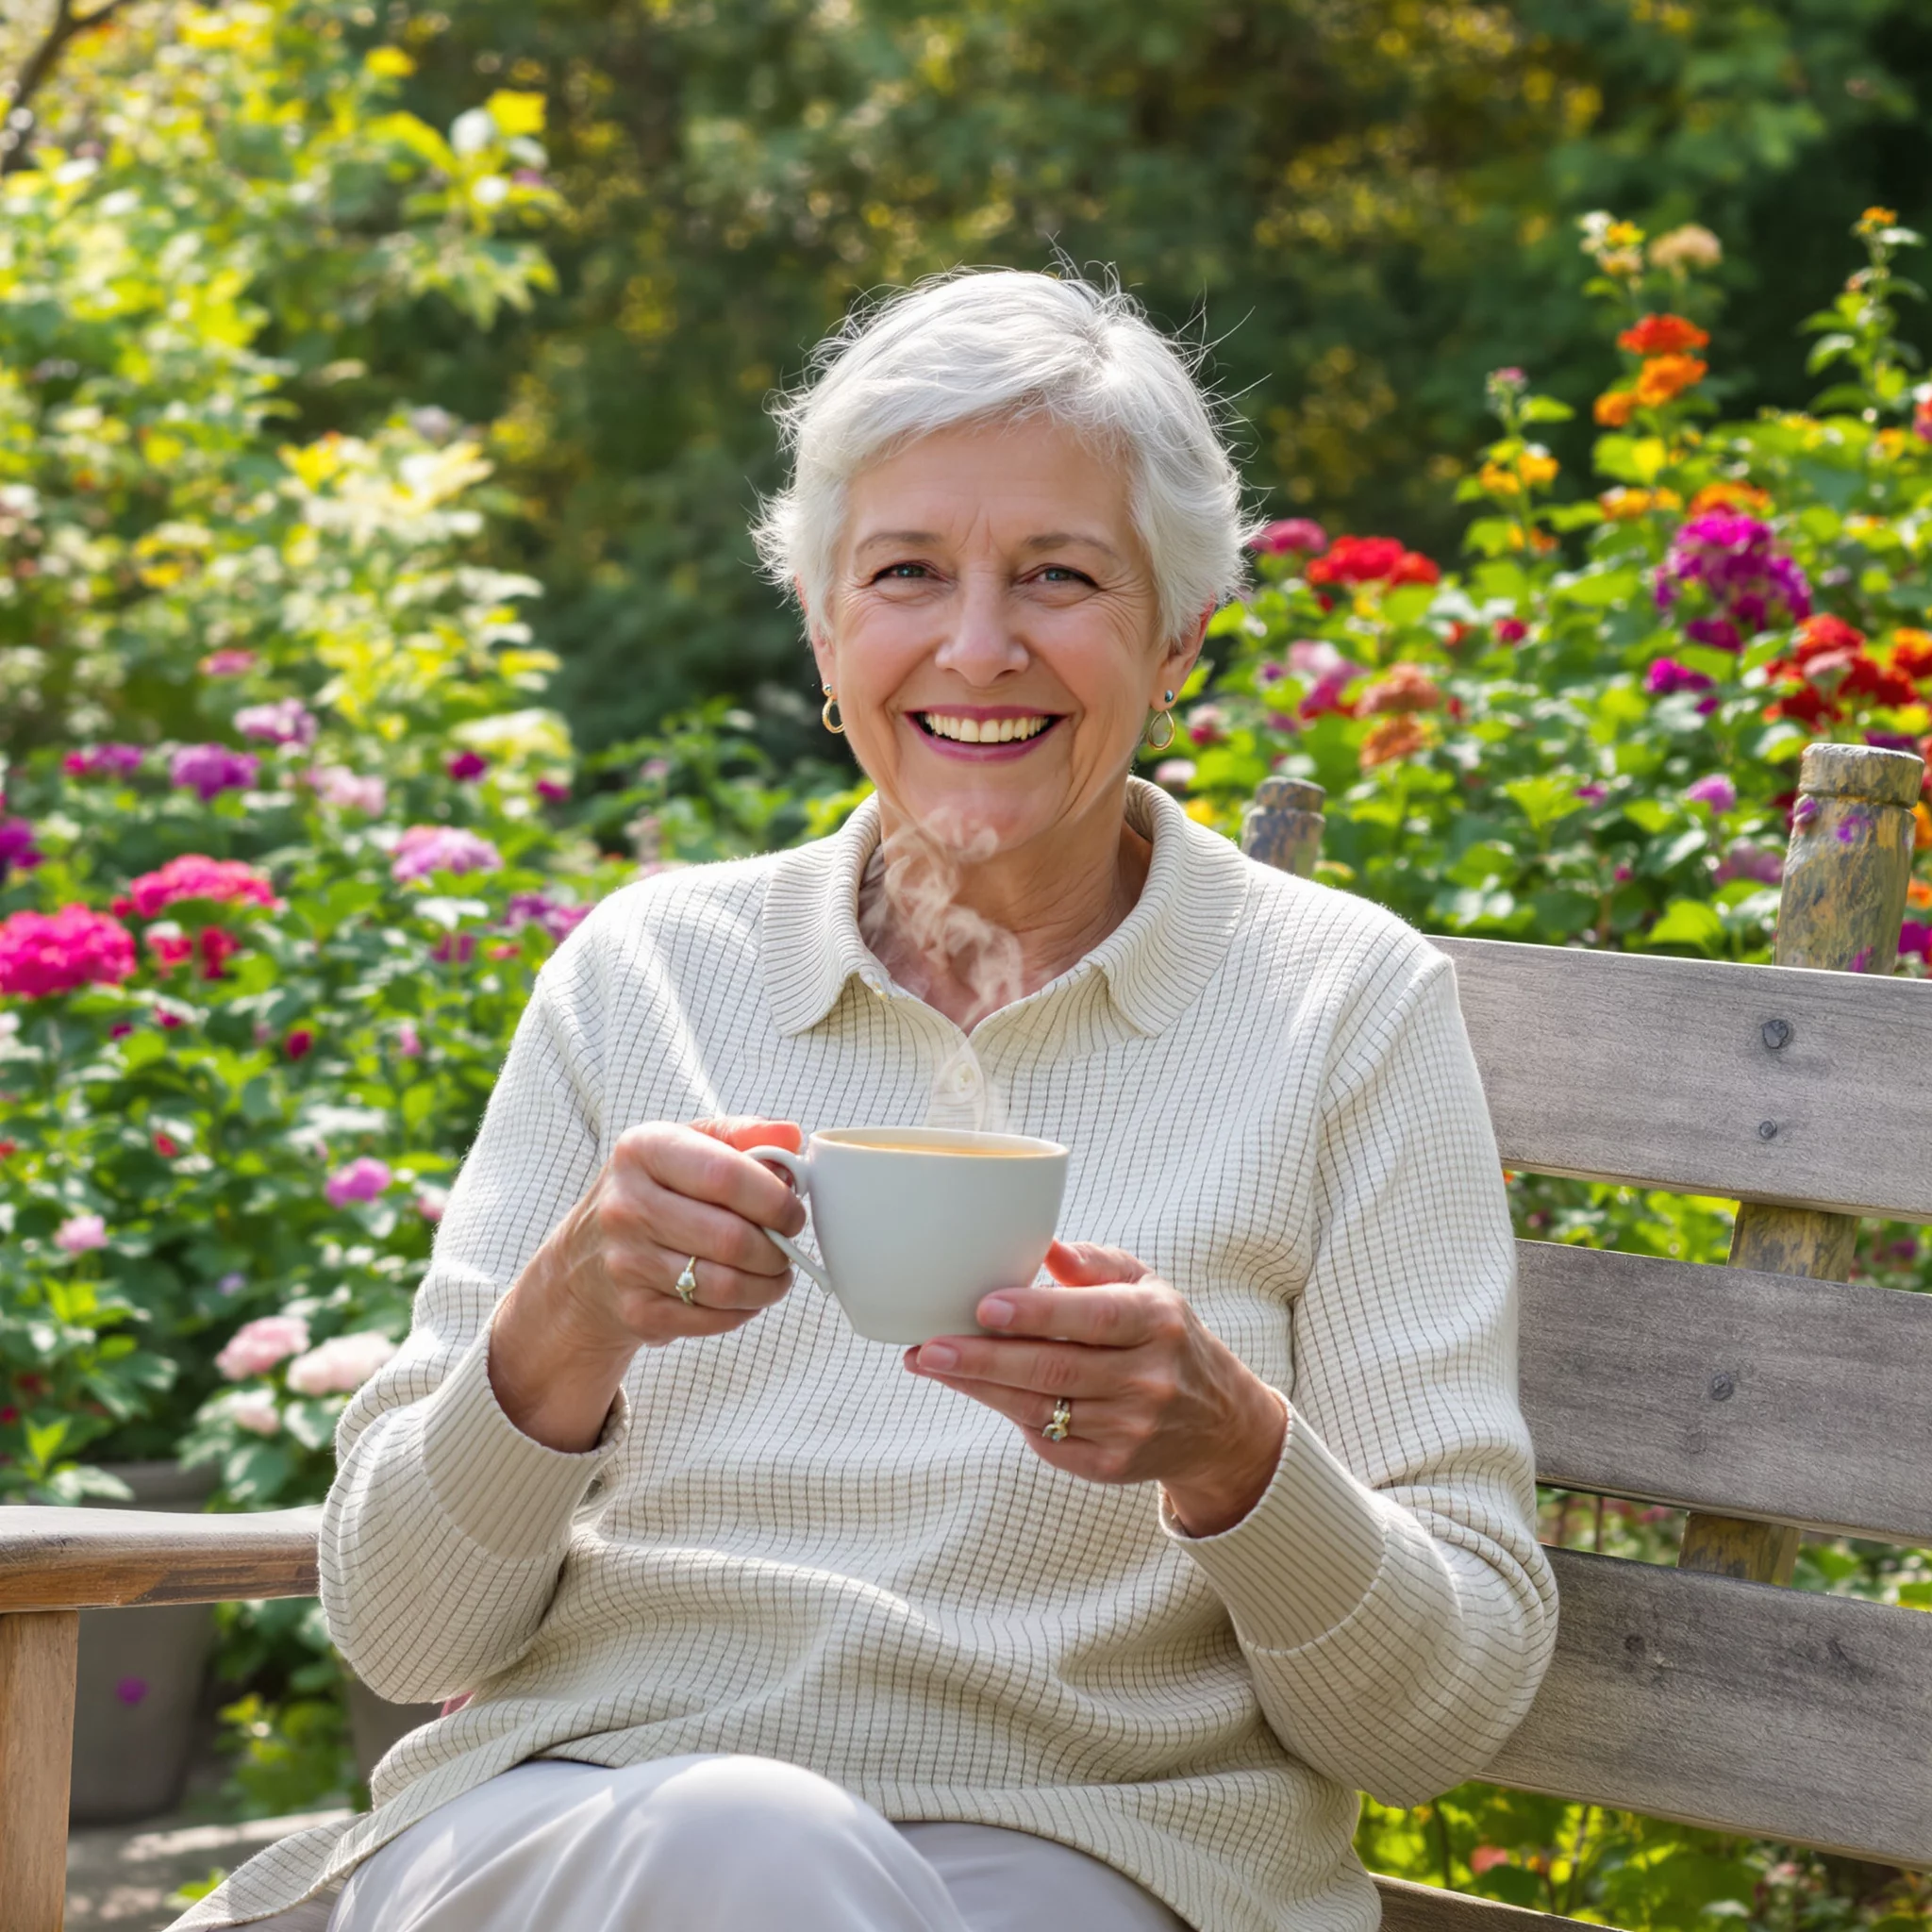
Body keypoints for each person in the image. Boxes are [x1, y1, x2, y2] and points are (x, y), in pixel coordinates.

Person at [173, 269, 1556, 1932]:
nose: (980, 646)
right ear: (829, 633)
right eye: (907, 575)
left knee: (763, 1866)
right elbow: (404, 1636)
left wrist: (1234, 1453)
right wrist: (557, 1334)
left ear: (1180, 633)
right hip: (570, 1828)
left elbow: (1429, 1723)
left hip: (1088, 1858)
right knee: (739, 1846)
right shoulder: (649, 975)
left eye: (1060, 575)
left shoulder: (1343, 1009)